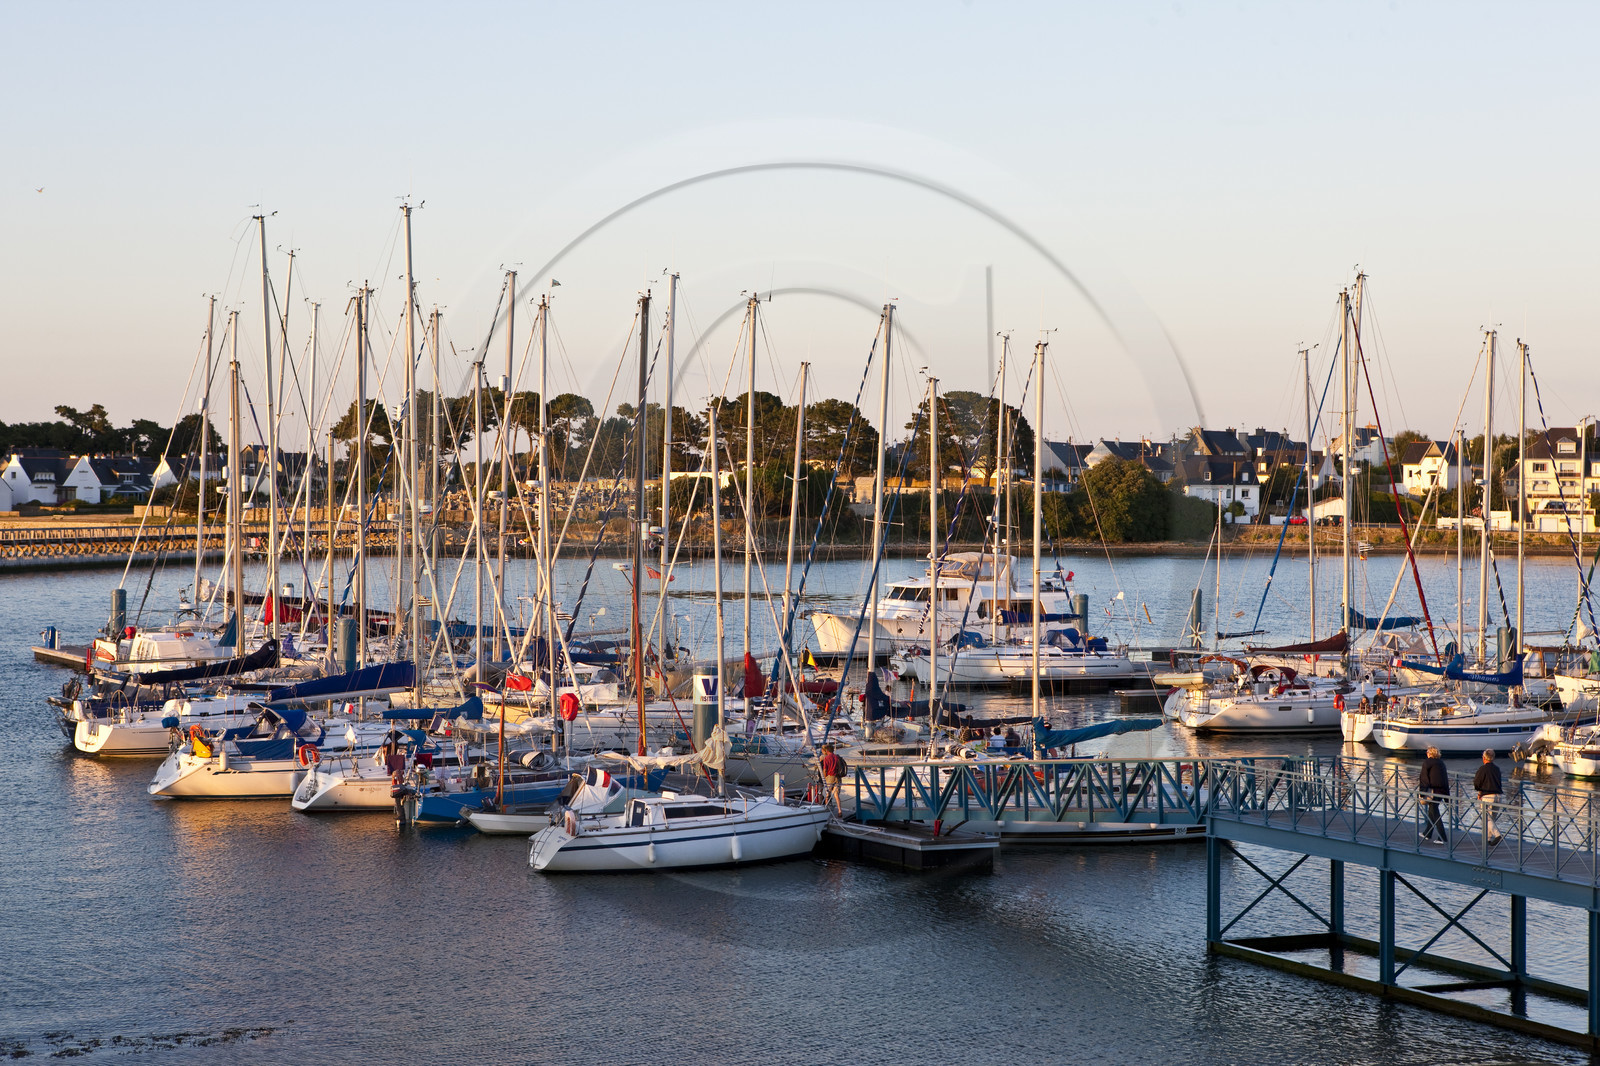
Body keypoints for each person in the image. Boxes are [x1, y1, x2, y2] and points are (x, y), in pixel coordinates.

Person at [1417, 745, 1450, 844]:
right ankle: (1427, 833)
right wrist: (1447, 797)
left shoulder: (1427, 763)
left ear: (1429, 754)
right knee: (1432, 812)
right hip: (1441, 791)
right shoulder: (1441, 763)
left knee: (1435, 813)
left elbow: (1424, 779)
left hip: (1432, 791)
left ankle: (1442, 837)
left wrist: (1422, 792)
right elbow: (1445, 780)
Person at [1473, 748, 1504, 844]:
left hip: (1487, 796)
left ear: (1484, 758)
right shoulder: (1497, 769)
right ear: (1493, 758)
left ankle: (1498, 835)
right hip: (1498, 796)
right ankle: (1487, 840)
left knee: (1487, 819)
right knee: (1491, 820)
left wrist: (1479, 791)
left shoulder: (1483, 769)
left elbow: (1476, 783)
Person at [818, 743, 847, 815]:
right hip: (838, 777)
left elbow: (825, 770)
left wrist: (824, 777)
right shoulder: (837, 757)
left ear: (827, 751)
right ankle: (840, 811)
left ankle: (826, 810)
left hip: (830, 777)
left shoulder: (827, 758)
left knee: (827, 794)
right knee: (836, 795)